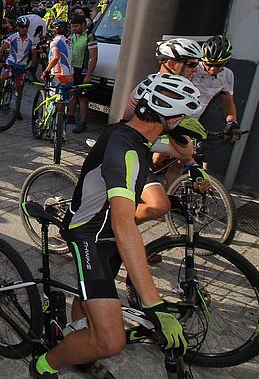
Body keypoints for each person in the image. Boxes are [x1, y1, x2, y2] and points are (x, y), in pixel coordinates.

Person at [30, 73, 197, 378]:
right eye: (182, 118)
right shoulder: (125, 151)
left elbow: (169, 147)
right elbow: (124, 224)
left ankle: (79, 341)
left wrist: (188, 158)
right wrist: (153, 302)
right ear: (171, 120)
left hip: (104, 231)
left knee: (91, 300)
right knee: (110, 340)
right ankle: (43, 366)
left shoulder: (134, 134)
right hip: (89, 234)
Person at [122, 38, 204, 222]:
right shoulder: (151, 91)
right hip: (130, 152)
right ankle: (114, 232)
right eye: (191, 64)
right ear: (171, 63)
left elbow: (179, 140)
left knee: (159, 201)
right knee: (157, 206)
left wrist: (191, 163)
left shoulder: (179, 89)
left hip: (146, 150)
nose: (196, 69)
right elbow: (127, 123)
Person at [191, 35, 240, 140]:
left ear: (226, 61)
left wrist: (232, 122)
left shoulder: (228, 75)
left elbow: (228, 101)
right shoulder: (193, 69)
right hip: (178, 116)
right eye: (209, 64)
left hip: (195, 119)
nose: (213, 69)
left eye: (218, 65)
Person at [0, 17, 36, 120]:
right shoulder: (13, 37)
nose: (24, 29)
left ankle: (17, 111)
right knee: (2, 78)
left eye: (26, 27)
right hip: (10, 64)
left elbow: (34, 56)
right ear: (18, 27)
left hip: (21, 67)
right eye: (22, 27)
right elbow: (2, 48)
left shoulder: (31, 39)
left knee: (19, 89)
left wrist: (31, 67)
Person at [67, 13, 99, 133]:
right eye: (72, 26)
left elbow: (94, 58)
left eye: (76, 26)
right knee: (72, 93)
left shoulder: (90, 36)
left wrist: (89, 75)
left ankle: (83, 122)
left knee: (82, 97)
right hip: (73, 69)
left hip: (83, 70)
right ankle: (70, 116)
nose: (74, 29)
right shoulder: (73, 36)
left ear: (83, 25)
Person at [41, 20, 74, 85]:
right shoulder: (69, 42)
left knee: (53, 95)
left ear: (55, 30)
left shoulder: (55, 42)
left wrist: (45, 71)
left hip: (58, 76)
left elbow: (56, 57)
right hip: (70, 76)